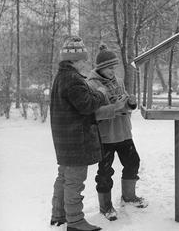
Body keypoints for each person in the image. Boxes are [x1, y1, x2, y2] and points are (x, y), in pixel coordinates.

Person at [50, 36, 124, 231]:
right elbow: (86, 105)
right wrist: (101, 93)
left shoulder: (61, 77)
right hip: (76, 138)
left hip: (65, 137)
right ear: (75, 60)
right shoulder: (72, 79)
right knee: (74, 180)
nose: (85, 63)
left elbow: (79, 103)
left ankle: (58, 215)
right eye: (83, 59)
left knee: (64, 177)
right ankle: (75, 222)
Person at [87, 44, 148, 222]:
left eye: (114, 67)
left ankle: (128, 197)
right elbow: (93, 113)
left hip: (123, 132)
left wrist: (130, 103)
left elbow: (125, 103)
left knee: (133, 162)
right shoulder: (92, 85)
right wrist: (116, 107)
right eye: (109, 68)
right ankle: (105, 206)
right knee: (105, 172)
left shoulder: (118, 81)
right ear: (100, 68)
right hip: (105, 136)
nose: (113, 71)